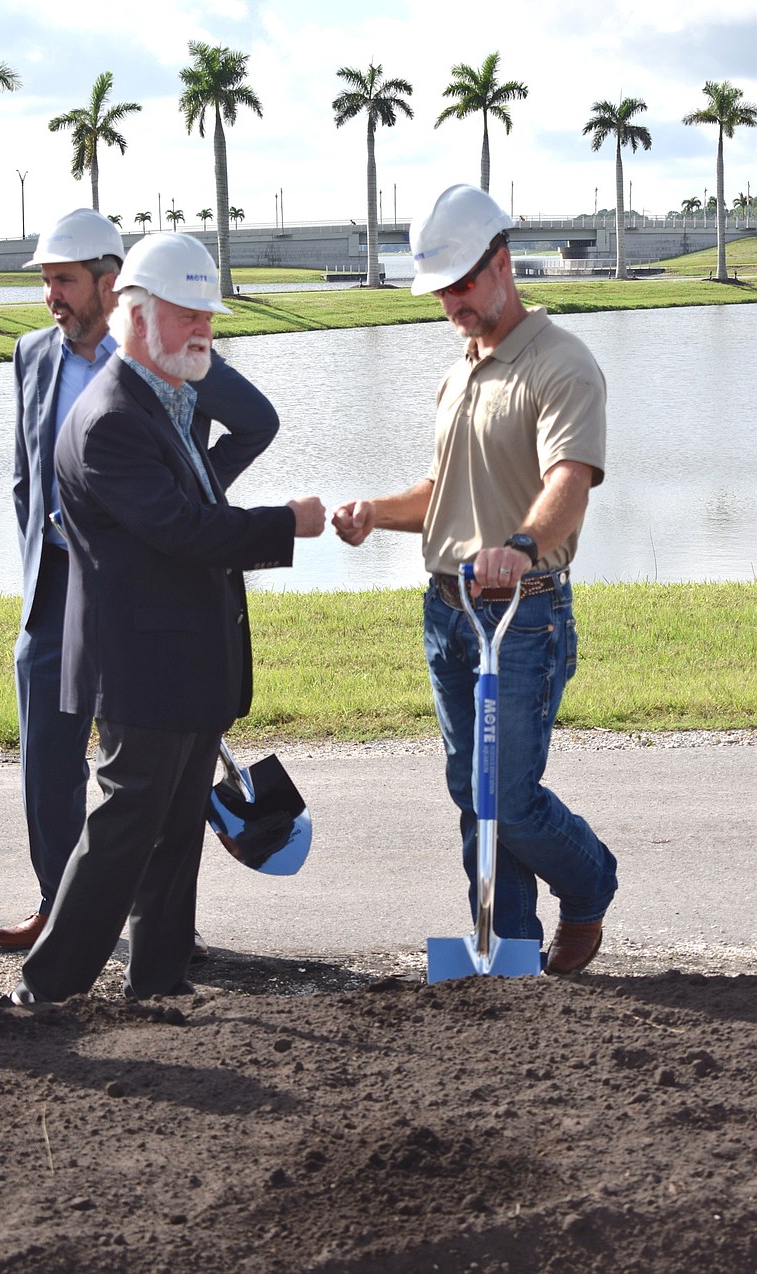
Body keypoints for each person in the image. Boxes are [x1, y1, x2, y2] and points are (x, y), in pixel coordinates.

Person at [11, 233, 324, 1004]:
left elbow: (190, 510)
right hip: (140, 662)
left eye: (207, 316)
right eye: (189, 315)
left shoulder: (165, 402)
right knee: (126, 826)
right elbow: (182, 531)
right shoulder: (113, 418)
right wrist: (285, 523)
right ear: (138, 314)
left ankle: (159, 982)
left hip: (180, 658)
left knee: (177, 828)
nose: (203, 329)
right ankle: (47, 990)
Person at [332, 184, 618, 976]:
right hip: (447, 611)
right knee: (471, 791)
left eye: (462, 284)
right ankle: (508, 954)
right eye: (441, 291)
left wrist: (521, 546)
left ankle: (590, 884)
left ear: (502, 264)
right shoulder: (460, 372)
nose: (452, 303)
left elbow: (570, 480)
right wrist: (373, 512)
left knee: (509, 799)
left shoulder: (561, 363)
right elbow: (442, 494)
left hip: (522, 614)